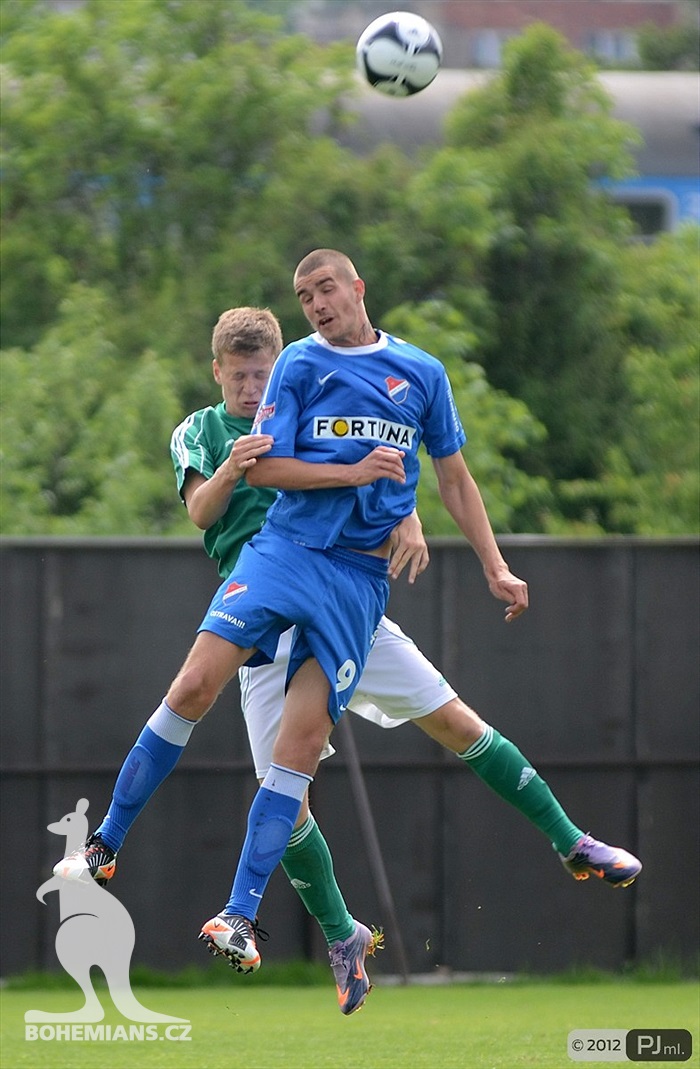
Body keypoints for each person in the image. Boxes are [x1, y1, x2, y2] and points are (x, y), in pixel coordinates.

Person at [55, 258, 641, 1014]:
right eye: (239, 374)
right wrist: (296, 474)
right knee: (252, 757)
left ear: (357, 289)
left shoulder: (404, 373)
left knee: (452, 724)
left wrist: (427, 522)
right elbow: (231, 498)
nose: (251, 386)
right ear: (219, 371)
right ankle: (327, 929)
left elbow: (415, 469)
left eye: (325, 290)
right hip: (276, 592)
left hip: (351, 595)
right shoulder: (227, 418)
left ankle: (570, 839)